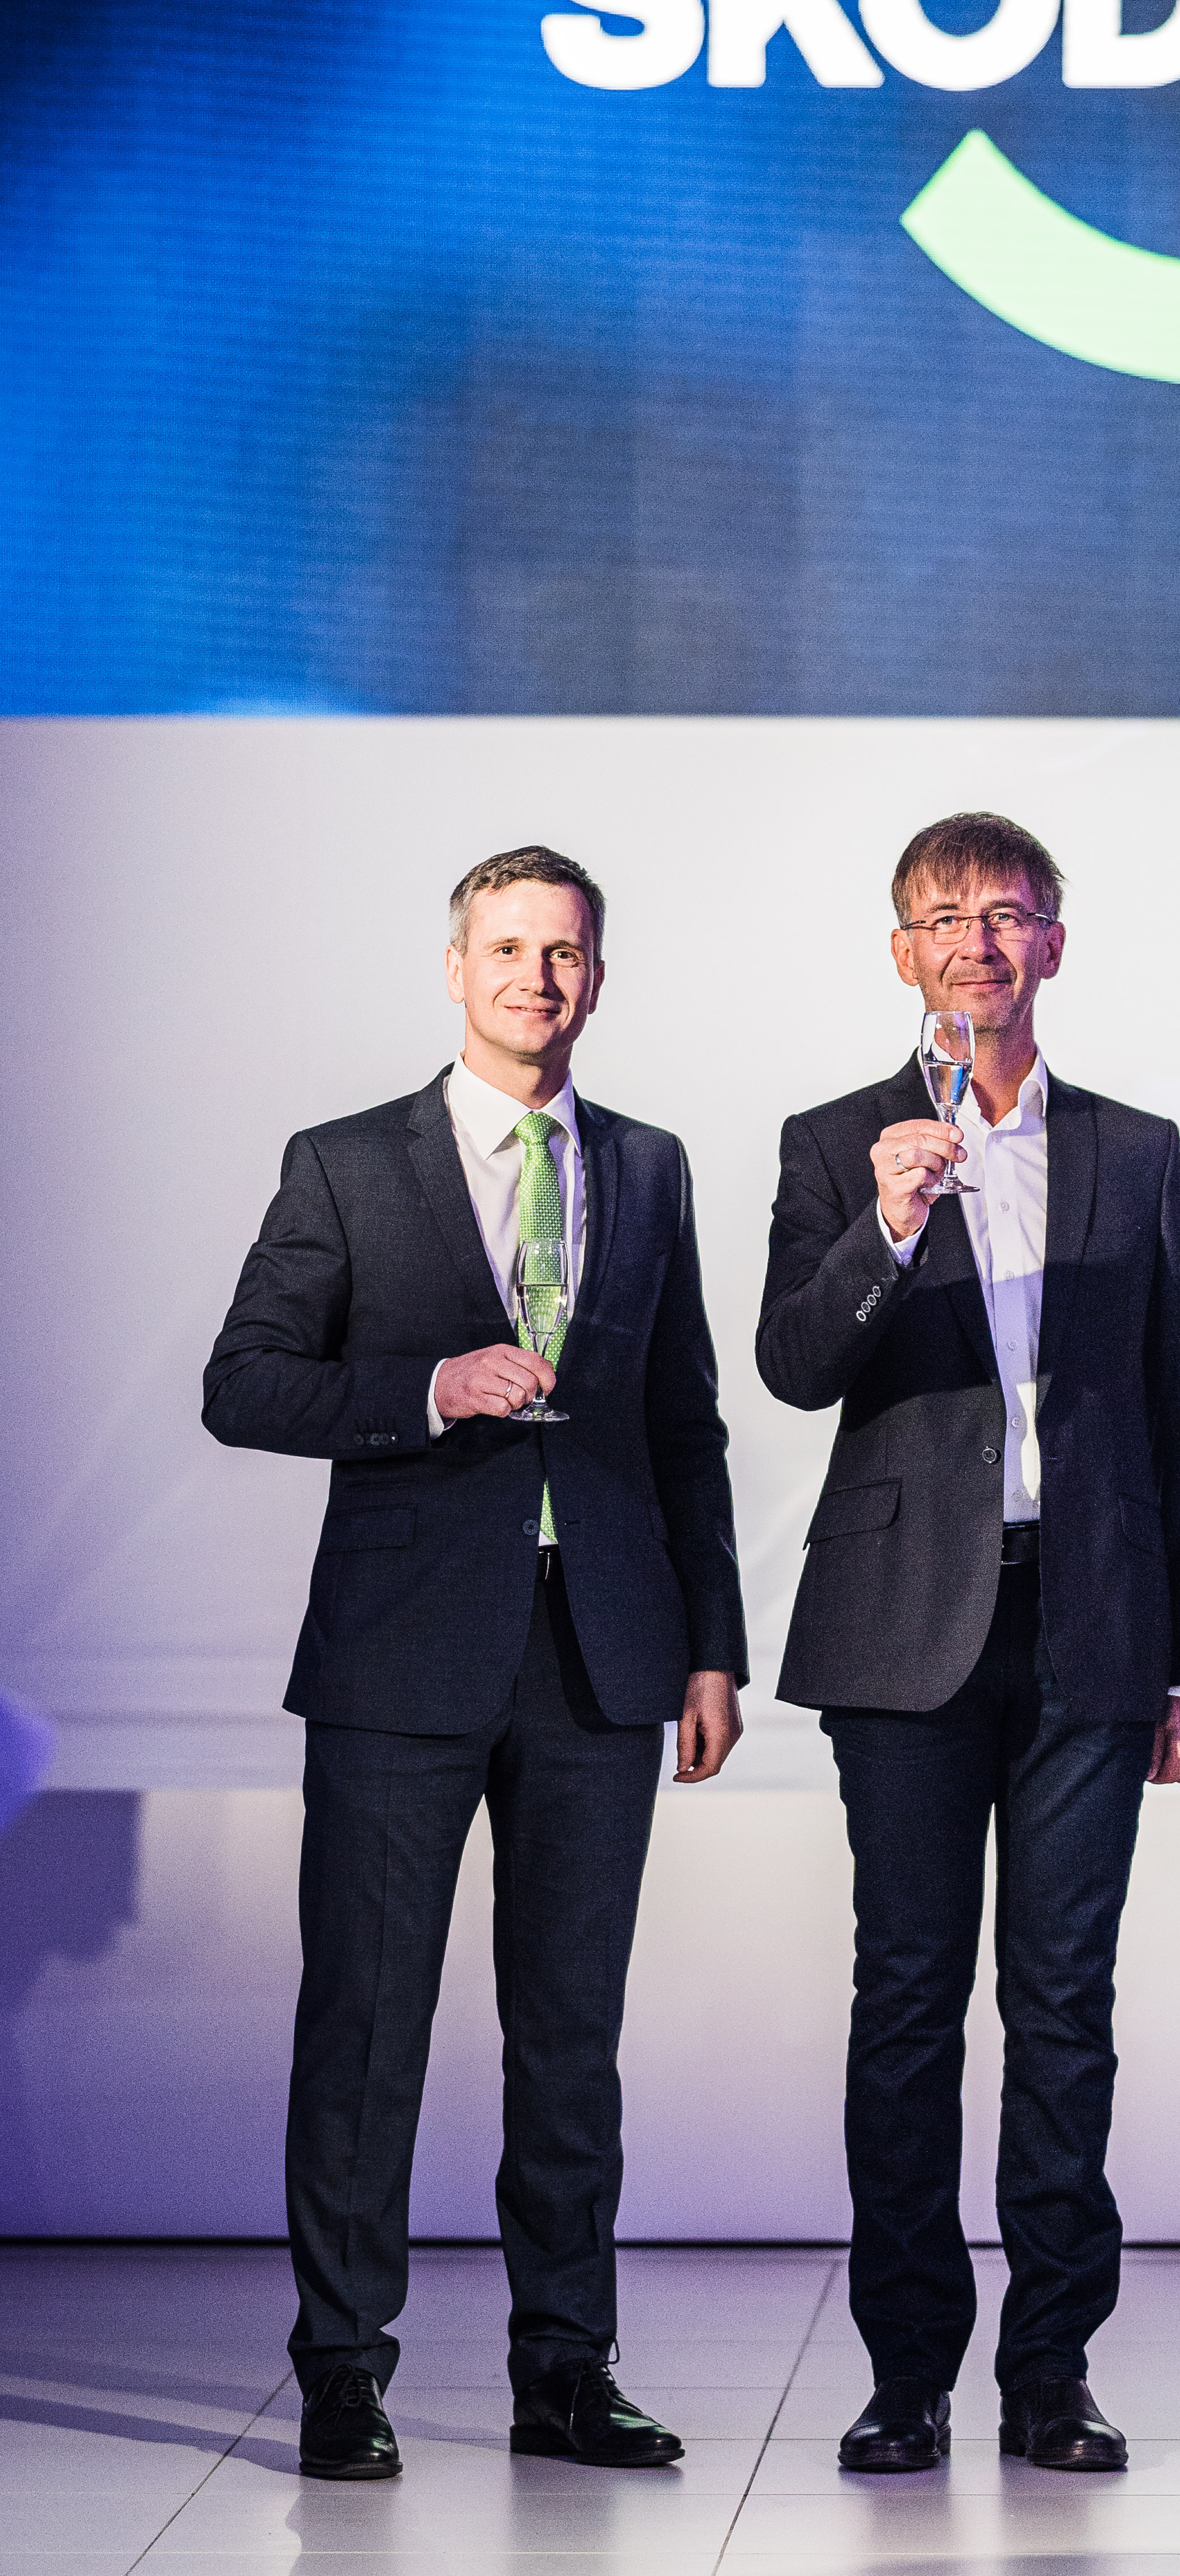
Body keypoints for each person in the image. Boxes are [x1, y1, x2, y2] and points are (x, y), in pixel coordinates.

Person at [204, 845, 746, 2481]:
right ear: (456, 969)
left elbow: (684, 1421)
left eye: (563, 952)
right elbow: (244, 1383)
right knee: (367, 2026)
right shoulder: (347, 1163)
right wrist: (429, 1387)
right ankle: (342, 2370)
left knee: (571, 2035)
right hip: (400, 1658)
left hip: (603, 1653)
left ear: (599, 977)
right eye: (507, 948)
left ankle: (567, 2371)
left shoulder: (647, 1165)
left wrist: (711, 1648)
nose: (536, 977)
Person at [758, 812, 1180, 2475]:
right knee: (906, 1998)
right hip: (902, 1628)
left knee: (1063, 2002)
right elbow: (795, 1366)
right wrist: (887, 1227)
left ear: (1054, 943)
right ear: (902, 952)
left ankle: (1052, 2370)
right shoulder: (837, 1142)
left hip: (1094, 1623)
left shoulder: (1132, 1148)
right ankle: (906, 2371)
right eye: (946, 917)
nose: (978, 941)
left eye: (1009, 914)